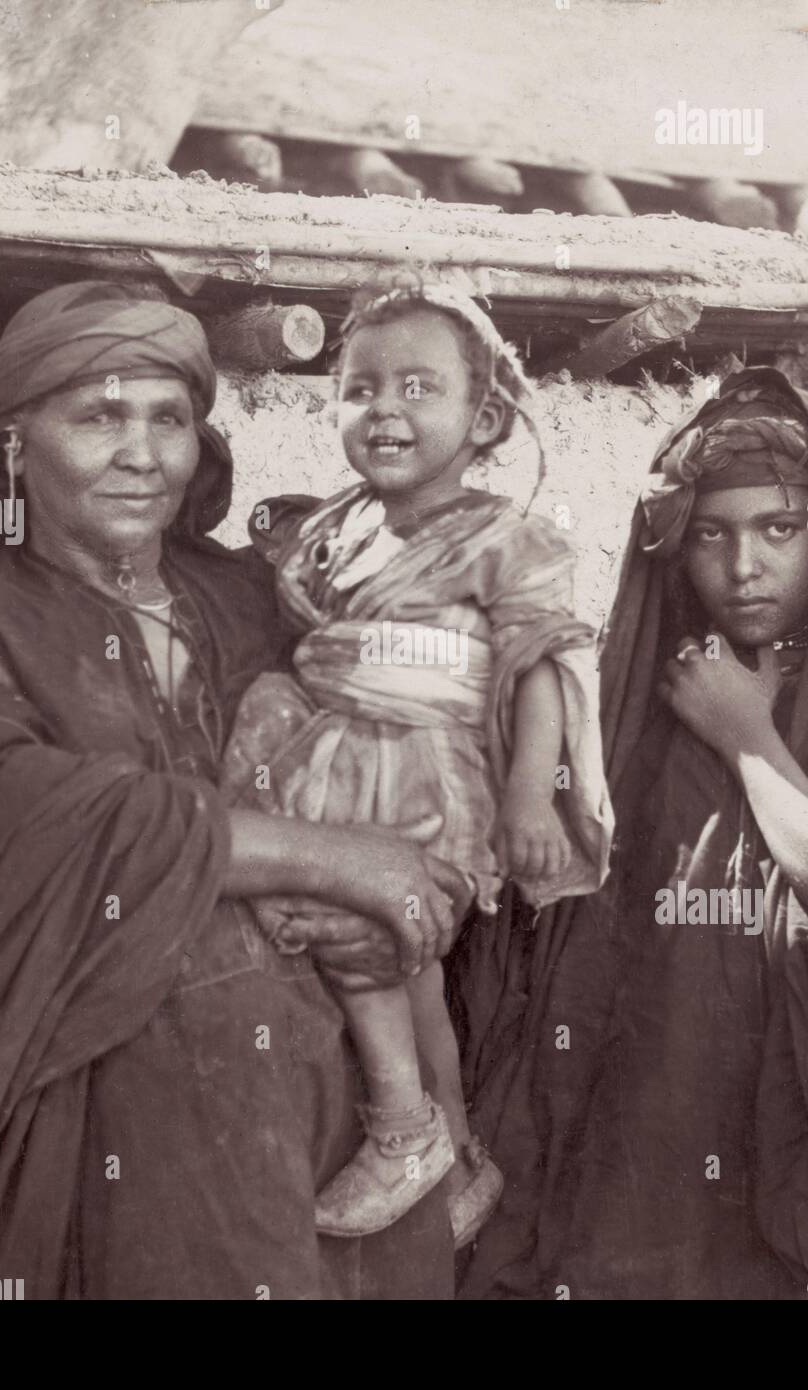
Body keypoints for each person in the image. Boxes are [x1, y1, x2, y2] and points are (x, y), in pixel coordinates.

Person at [0, 281, 471, 1300]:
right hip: (99, 1128)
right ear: (16, 440)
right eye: (98, 415)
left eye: (167, 418)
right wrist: (342, 862)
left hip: (328, 1121)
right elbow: (26, 808)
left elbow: (380, 753)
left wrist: (390, 902)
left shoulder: (247, 600)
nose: (140, 452)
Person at [453, 367, 808, 1299]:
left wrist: (750, 737)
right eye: (711, 535)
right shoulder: (637, 707)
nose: (743, 566)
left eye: (779, 529)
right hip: (651, 1145)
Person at [222, 283, 613, 1245]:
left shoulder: (503, 540)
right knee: (417, 979)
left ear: (483, 419)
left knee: (371, 944)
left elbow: (539, 673)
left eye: (416, 388)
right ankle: (465, 1152)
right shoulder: (341, 527)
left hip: (425, 772)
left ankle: (405, 1129)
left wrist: (530, 797)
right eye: (360, 390)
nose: (384, 409)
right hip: (335, 754)